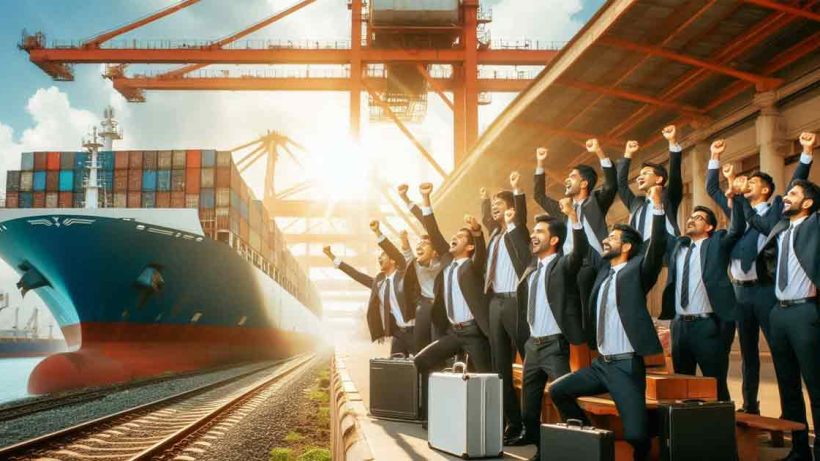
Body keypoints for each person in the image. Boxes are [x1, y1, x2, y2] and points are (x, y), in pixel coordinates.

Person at [549, 185, 668, 461]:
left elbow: (657, 245)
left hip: (626, 366)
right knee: (558, 391)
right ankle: (593, 439)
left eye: (612, 238)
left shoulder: (638, 269)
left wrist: (659, 205)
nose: (606, 241)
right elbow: (584, 246)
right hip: (600, 365)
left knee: (637, 436)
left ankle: (648, 445)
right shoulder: (603, 270)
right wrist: (572, 216)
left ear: (626, 246)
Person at [705, 133, 814, 414]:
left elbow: (797, 188)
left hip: (765, 289)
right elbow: (712, 190)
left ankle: (787, 416)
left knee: (783, 357)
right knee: (747, 354)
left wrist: (805, 152)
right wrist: (716, 161)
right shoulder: (738, 213)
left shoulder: (778, 210)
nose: (747, 184)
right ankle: (750, 405)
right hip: (741, 292)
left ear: (766, 190)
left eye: (752, 182)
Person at [661, 151, 745, 401]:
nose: (691, 220)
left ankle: (723, 434)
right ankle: (688, 435)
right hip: (679, 326)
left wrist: (734, 195)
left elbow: (737, 227)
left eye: (698, 218)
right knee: (683, 385)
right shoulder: (678, 247)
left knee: (714, 383)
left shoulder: (717, 241)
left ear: (709, 226)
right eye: (690, 217)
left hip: (707, 325)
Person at [508, 200, 589, 461]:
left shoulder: (563, 265)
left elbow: (579, 252)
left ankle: (585, 442)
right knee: (529, 410)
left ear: (554, 240)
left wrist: (573, 218)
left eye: (539, 232)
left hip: (555, 345)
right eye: (533, 231)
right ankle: (542, 450)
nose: (533, 235)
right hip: (533, 345)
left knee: (563, 398)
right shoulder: (531, 269)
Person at [412, 182, 491, 423]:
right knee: (422, 360)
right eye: (454, 236)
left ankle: (493, 425)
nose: (454, 239)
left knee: (486, 378)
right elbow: (433, 230)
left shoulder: (473, 265)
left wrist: (476, 232)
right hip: (453, 333)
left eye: (461, 237)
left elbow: (482, 251)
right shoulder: (447, 259)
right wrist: (425, 199)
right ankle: (433, 413)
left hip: (474, 333)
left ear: (469, 246)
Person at [754, 172, 819, 461]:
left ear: (807, 203)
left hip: (806, 311)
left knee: (816, 385)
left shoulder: (816, 224)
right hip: (777, 313)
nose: (785, 198)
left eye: (792, 194)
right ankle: (799, 449)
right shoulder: (780, 227)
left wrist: (805, 155)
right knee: (787, 385)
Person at [532, 139, 617, 325]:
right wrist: (540, 163)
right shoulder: (563, 208)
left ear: (584, 183)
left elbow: (611, 185)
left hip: (592, 265)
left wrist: (599, 151)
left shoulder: (596, 202)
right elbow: (539, 196)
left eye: (572, 176)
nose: (566, 180)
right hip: (568, 266)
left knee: (590, 316)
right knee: (569, 315)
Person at [480, 172, 532, 443]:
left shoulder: (518, 230)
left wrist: (516, 188)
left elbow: (520, 215)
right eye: (492, 205)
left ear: (511, 209)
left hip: (515, 301)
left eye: (499, 203)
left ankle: (533, 424)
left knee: (528, 362)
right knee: (500, 367)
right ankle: (513, 422)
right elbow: (488, 219)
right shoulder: (495, 235)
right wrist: (483, 204)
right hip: (495, 303)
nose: (494, 207)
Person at [323, 221, 415, 355]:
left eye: (383, 255)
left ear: (393, 260)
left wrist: (377, 232)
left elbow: (396, 253)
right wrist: (332, 257)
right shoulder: (380, 282)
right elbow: (357, 275)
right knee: (396, 369)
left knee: (423, 367)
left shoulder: (403, 274)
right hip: (399, 334)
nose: (379, 257)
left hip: (417, 331)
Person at [386, 184, 448, 351]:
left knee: (438, 348)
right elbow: (406, 252)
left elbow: (429, 225)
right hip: (423, 309)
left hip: (442, 309)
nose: (419, 246)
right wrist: (404, 198)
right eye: (418, 244)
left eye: (424, 244)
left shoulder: (444, 262)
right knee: (421, 349)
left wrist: (424, 198)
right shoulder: (415, 264)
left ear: (435, 252)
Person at [616, 125, 683, 242]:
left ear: (659, 179)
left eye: (646, 173)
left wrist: (672, 141)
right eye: (640, 174)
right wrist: (627, 154)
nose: (640, 177)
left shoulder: (669, 196)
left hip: (664, 250)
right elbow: (621, 185)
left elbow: (675, 173)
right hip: (640, 254)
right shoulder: (636, 203)